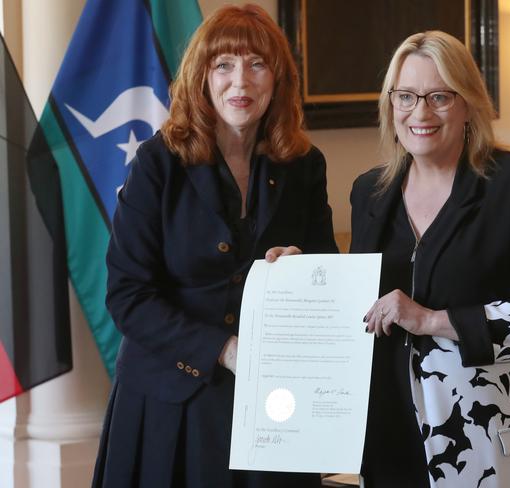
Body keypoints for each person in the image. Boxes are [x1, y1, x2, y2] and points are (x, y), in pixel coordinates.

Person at [92, 5, 336, 487]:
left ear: (279, 77)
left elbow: (326, 273)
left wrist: (305, 269)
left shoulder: (304, 164)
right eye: (223, 65)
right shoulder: (157, 163)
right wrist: (222, 349)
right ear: (201, 77)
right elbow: (128, 296)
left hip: (273, 407)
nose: (239, 81)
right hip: (170, 403)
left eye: (256, 64)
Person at [351, 31, 510, 487]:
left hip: (497, 438)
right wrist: (300, 273)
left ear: (468, 103)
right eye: (406, 96)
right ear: (389, 103)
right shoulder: (370, 192)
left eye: (439, 96)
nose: (420, 112)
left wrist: (432, 320)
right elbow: (361, 304)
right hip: (390, 432)